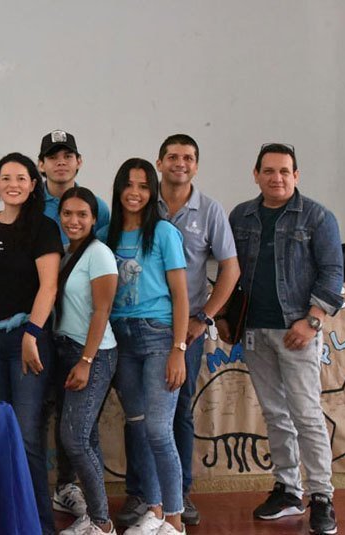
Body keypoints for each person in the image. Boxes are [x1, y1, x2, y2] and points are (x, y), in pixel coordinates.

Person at [218, 143, 342, 535]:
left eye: (285, 171)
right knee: (275, 414)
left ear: (296, 175)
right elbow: (228, 268)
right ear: (256, 174)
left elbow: (332, 272)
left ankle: (321, 495)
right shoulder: (241, 216)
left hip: (298, 331)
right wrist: (222, 314)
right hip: (255, 331)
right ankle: (289, 490)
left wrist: (312, 321)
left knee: (306, 414)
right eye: (269, 171)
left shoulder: (318, 217)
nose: (277, 178)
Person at [118, 135, 240, 527]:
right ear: (159, 162)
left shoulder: (209, 210)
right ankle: (145, 496)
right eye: (172, 156)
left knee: (175, 413)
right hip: (134, 329)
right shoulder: (139, 207)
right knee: (141, 417)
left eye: (188, 157)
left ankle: (178, 497)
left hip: (183, 329)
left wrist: (202, 319)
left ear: (196, 165)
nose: (180, 163)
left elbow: (230, 270)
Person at [0, 152, 63, 534]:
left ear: (33, 183)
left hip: (27, 342)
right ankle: (3, 521)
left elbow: (49, 286)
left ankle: (38, 524)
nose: (13, 184)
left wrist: (31, 334)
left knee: (26, 436)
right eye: (5, 178)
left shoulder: (43, 227)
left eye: (21, 178)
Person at [98, 158, 188, 535]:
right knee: (137, 426)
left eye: (143, 186)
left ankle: (176, 519)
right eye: (128, 185)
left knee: (157, 430)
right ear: (119, 189)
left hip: (158, 336)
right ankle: (154, 509)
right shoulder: (105, 234)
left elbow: (181, 296)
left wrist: (178, 349)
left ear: (152, 192)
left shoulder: (164, 233)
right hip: (120, 337)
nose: (135, 193)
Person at [38, 129, 111, 516]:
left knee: (77, 423)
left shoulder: (96, 205)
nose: (61, 162)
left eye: (68, 155)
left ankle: (76, 495)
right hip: (44, 328)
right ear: (42, 164)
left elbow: (101, 277)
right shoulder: (33, 203)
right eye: (53, 156)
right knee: (51, 410)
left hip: (84, 334)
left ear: (79, 162)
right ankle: (51, 489)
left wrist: (88, 355)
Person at [54, 187, 118, 535]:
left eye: (82, 215)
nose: (74, 221)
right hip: (66, 350)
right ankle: (96, 517)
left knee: (74, 439)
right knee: (86, 437)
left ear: (94, 219)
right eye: (67, 214)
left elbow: (102, 309)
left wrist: (86, 360)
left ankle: (101, 523)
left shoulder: (99, 253)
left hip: (93, 354)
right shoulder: (66, 254)